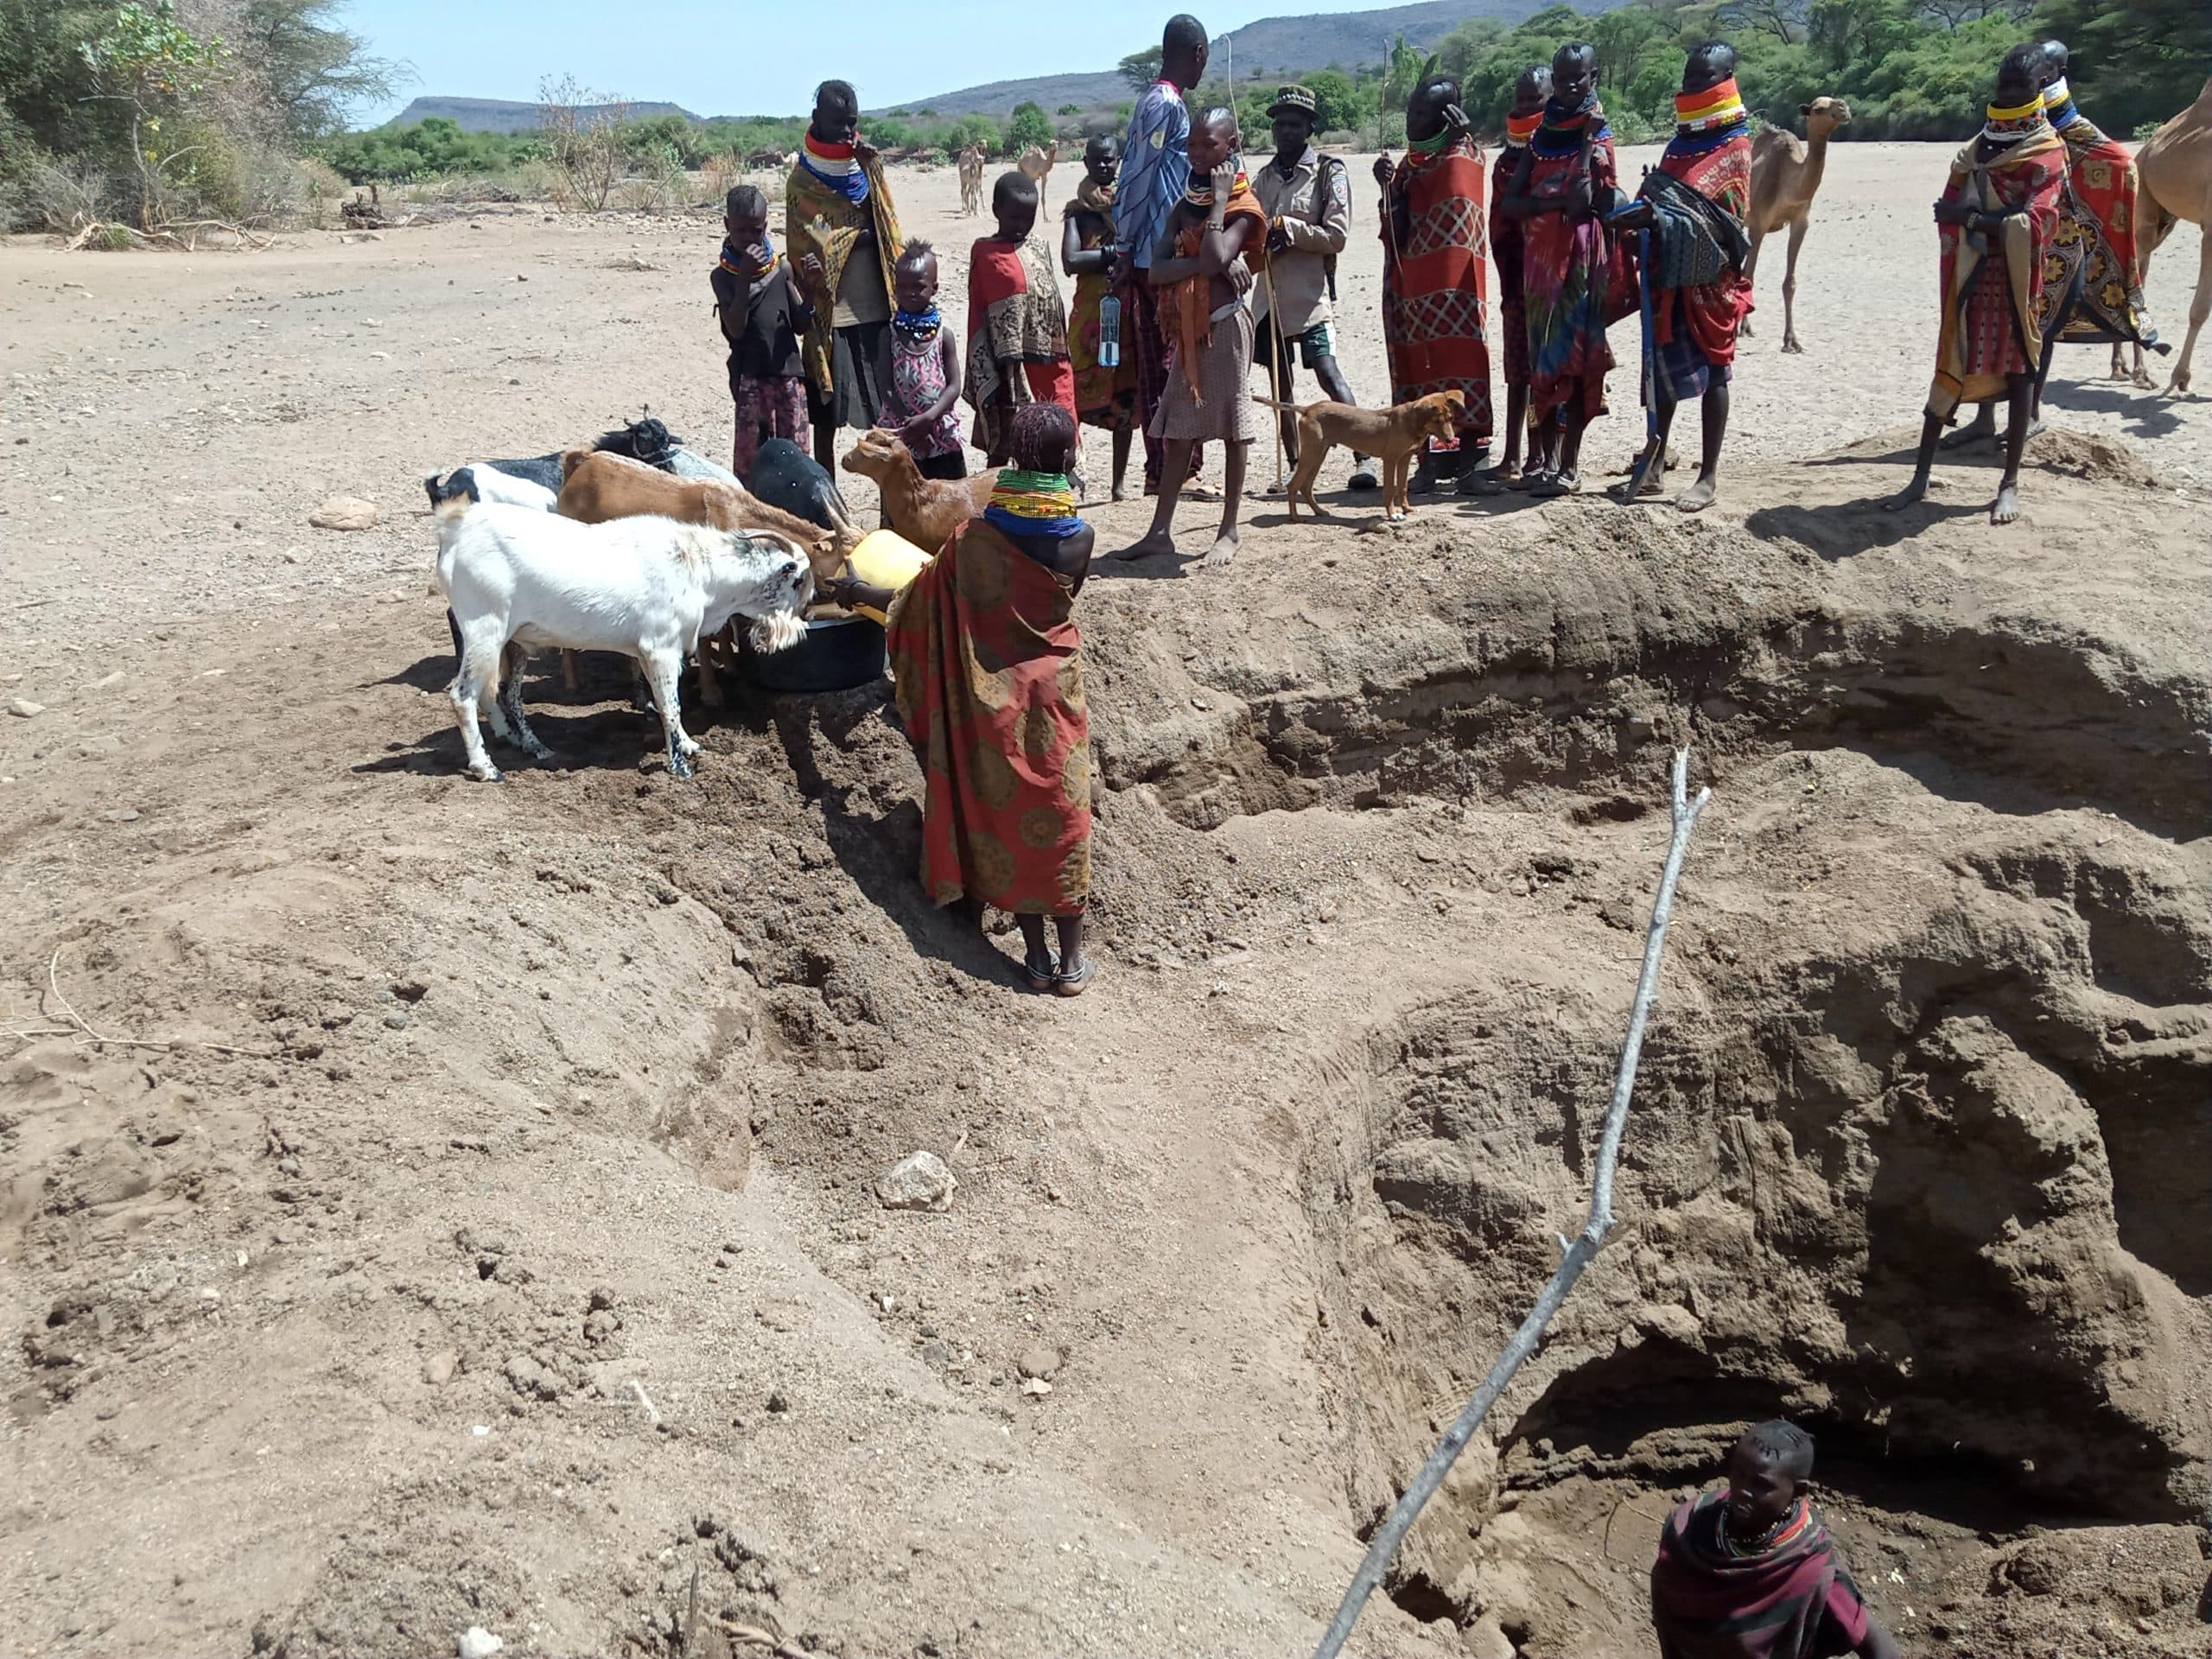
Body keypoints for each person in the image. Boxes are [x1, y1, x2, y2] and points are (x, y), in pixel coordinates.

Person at [880, 403, 1096, 997]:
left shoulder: (974, 538)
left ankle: (1033, 956)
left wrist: (859, 593)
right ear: (1068, 461)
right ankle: (1072, 964)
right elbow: (1057, 602)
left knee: (1009, 823)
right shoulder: (1080, 538)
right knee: (1063, 819)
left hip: (992, 699)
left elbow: (920, 595)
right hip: (1056, 699)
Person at [1886, 42, 2069, 527]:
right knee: (1950, 359)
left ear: (2039, 90)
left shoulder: (2048, 151)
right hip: (1969, 277)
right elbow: (1950, 205)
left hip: (2014, 279)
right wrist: (1962, 220)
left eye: (2021, 86)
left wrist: (1968, 218)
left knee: (2020, 371)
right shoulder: (1977, 148)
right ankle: (1919, 479)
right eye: (2004, 85)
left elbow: (2037, 221)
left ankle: (2009, 483)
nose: (2010, 93)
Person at [1110, 107, 1267, 569]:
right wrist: (1206, 260)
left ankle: (1230, 529)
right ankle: (1160, 533)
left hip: (1226, 325)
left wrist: (1217, 208)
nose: (1197, 154)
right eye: (1193, 144)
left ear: (1231, 145)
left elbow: (1218, 253)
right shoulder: (1185, 205)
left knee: (1234, 430)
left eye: (1209, 145)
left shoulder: (1242, 206)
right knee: (1178, 430)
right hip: (1191, 328)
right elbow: (1159, 269)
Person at [1611, 42, 1755, 512]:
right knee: (1663, 375)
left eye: (1705, 78)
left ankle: (1708, 476)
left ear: (1728, 77)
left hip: (1711, 284)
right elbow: (1667, 197)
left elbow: (1725, 223)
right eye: (1690, 77)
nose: (1694, 85)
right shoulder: (1682, 143)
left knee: (1716, 373)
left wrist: (1656, 218)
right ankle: (1654, 461)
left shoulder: (1735, 147)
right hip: (1670, 277)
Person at [1650, 1421, 1902, 1659]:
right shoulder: (1687, 1530)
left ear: (1798, 1491)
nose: (1742, 1490)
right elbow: (1664, 1605)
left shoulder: (1806, 1566)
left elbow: (1881, 1648)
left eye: (1762, 1485)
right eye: (1738, 1472)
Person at [1503, 41, 1621, 499]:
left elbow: (1586, 199)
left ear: (1594, 77)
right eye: (1562, 76)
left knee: (1575, 363)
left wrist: (1588, 141)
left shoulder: (1601, 138)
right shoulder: (1540, 139)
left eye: (1579, 77)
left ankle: (1568, 465)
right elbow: (1512, 203)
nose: (1570, 85)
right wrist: (1552, 204)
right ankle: (1546, 462)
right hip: (1539, 269)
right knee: (1543, 365)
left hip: (1579, 263)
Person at [1374, 73, 1497, 496]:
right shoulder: (1409, 167)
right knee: (1420, 371)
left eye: (1424, 113)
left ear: (1446, 116)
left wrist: (1463, 139)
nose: (1413, 120)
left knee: (1463, 369)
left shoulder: (1465, 155)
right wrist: (1388, 188)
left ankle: (1470, 463)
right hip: (1414, 293)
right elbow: (1397, 229)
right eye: (1411, 111)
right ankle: (1427, 463)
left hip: (1457, 291)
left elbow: (1466, 201)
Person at [1253, 85, 1376, 493]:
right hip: (1268, 298)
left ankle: (1365, 457)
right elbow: (1250, 229)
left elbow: (1336, 236)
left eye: (1294, 124)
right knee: (1280, 385)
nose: (1285, 131)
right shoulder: (1262, 178)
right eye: (1279, 124)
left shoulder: (1329, 172)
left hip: (1309, 298)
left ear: (1308, 128)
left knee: (1327, 372)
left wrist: (1290, 230)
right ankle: (1293, 466)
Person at [1114, 14, 1216, 496]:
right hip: (1158, 257)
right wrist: (1126, 246)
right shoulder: (1164, 104)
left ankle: (1171, 470)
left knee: (1173, 359)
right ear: (1197, 53)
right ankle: (1174, 472)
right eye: (1204, 59)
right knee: (1171, 364)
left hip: (1165, 253)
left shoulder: (1164, 103)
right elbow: (1137, 177)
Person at [785, 79, 904, 473]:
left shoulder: (866, 171)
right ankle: (826, 499)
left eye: (850, 123)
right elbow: (806, 247)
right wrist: (858, 235)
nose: (844, 132)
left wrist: (872, 168)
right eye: (836, 122)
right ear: (816, 118)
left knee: (884, 417)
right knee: (825, 418)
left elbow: (887, 227)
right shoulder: (802, 183)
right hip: (831, 314)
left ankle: (892, 509)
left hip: (875, 309)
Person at [966, 172, 1078, 468]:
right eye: (1013, 217)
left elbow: (1050, 300)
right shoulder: (984, 251)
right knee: (1007, 440)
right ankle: (998, 505)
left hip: (1050, 362)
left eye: (1027, 218)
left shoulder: (1039, 246)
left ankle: (1054, 504)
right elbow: (981, 307)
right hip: (1005, 366)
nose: (1020, 225)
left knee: (1059, 434)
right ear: (996, 211)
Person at [710, 184, 814, 479]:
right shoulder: (721, 277)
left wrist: (812, 292)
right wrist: (743, 275)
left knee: (796, 466)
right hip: (751, 382)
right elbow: (736, 327)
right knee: (753, 467)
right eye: (740, 230)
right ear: (727, 225)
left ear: (766, 226)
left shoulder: (781, 269)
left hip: (788, 381)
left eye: (755, 231)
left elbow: (801, 325)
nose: (748, 238)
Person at [1063, 135, 1140, 500]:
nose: (1104, 167)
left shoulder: (1130, 205)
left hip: (1124, 312)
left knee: (1124, 397)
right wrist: (1114, 252)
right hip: (1089, 315)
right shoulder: (1077, 212)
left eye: (1110, 160)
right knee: (1074, 395)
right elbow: (1071, 261)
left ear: (1119, 160)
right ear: (1086, 162)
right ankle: (1065, 472)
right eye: (1097, 161)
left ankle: (1119, 483)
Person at [1490, 64, 1550, 488]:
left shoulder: (1570, 149)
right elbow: (1500, 221)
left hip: (1554, 283)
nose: (1526, 107)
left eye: (1536, 100)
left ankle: (1544, 456)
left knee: (1550, 372)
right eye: (1521, 99)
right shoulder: (1506, 162)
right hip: (1516, 281)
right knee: (1518, 372)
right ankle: (1514, 455)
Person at [873, 241, 966, 480]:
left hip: (940, 432)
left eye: (918, 286)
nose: (910, 293)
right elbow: (885, 387)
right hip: (902, 431)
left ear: (934, 288)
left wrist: (928, 419)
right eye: (902, 287)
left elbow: (954, 386)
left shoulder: (944, 335)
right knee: (903, 502)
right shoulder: (888, 335)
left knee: (948, 501)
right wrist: (912, 426)